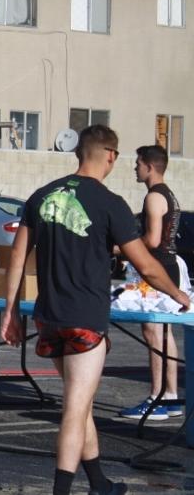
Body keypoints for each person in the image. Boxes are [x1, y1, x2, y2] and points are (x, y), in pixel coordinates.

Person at [1, 125, 189, 495]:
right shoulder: (110, 203)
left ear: (78, 153)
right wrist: (178, 294)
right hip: (85, 318)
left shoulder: (41, 196)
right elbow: (148, 266)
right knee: (75, 407)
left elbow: (18, 257)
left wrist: (10, 311)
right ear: (111, 155)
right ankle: (62, 489)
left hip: (49, 317)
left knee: (80, 403)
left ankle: (99, 482)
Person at [119, 145, 185, 421]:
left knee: (152, 329)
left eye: (138, 163)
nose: (135, 167)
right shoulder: (168, 194)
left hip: (158, 269)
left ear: (149, 166)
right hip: (169, 267)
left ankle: (157, 396)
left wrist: (121, 248)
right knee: (164, 331)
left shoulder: (154, 197)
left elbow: (153, 240)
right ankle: (169, 396)